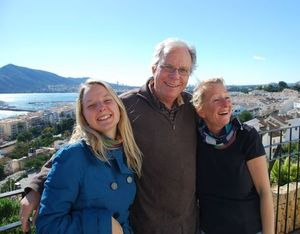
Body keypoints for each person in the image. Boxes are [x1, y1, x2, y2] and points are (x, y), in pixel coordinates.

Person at [20, 38, 198, 234]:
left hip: (189, 224)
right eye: (168, 67)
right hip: (144, 226)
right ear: (154, 68)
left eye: (183, 70)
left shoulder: (194, 106)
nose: (175, 76)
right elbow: (76, 146)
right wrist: (36, 187)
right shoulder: (124, 105)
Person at [35, 79, 143, 234]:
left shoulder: (127, 150)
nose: (101, 108)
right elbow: (48, 226)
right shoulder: (73, 156)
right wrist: (105, 225)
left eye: (107, 100)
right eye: (92, 105)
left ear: (118, 106)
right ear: (83, 116)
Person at [191, 78, 274, 234]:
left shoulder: (247, 136)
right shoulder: (195, 140)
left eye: (227, 97)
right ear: (200, 110)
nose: (225, 104)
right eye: (216, 99)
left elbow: (264, 191)